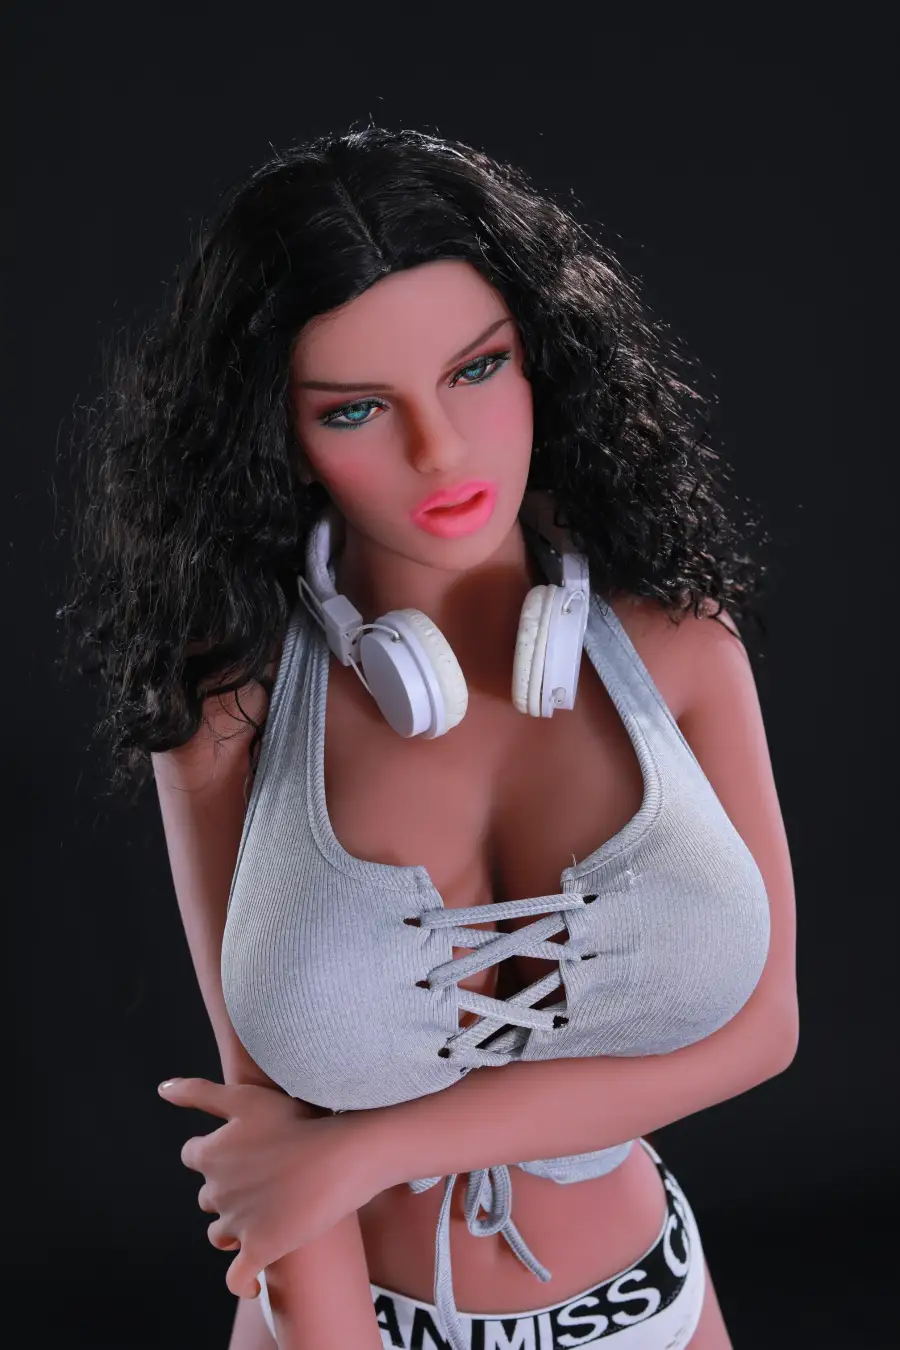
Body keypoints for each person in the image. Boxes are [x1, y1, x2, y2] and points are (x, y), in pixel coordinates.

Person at [60, 126, 798, 1350]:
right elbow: (267, 1134)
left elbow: (764, 1033)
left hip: (646, 1301)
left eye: (477, 369)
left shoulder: (678, 650)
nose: (438, 451)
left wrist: (371, 1151)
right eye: (356, 409)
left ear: (544, 357)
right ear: (276, 435)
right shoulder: (231, 704)